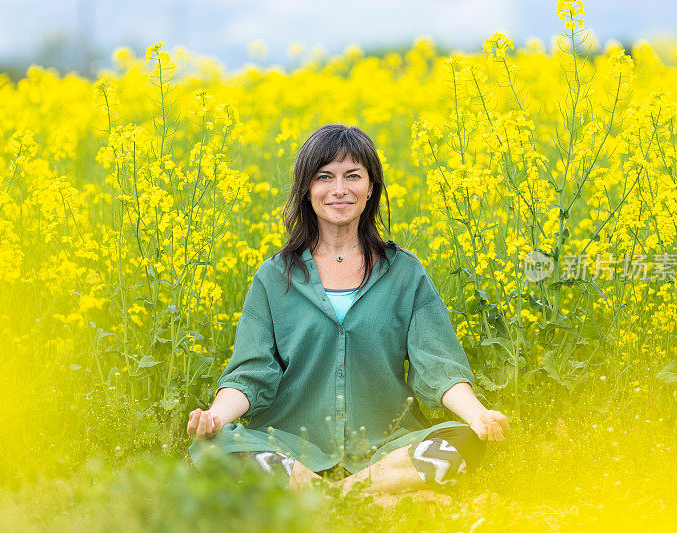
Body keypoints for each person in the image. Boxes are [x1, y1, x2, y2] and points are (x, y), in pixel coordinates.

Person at [187, 124, 510, 503]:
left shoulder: (404, 272)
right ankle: (372, 500)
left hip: (384, 446)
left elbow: (438, 365)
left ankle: (329, 498)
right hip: (293, 446)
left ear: (371, 187)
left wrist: (477, 414)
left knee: (464, 440)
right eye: (325, 177)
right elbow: (250, 373)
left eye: (352, 176)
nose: (339, 190)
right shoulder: (274, 277)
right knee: (211, 446)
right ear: (307, 190)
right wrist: (215, 417)